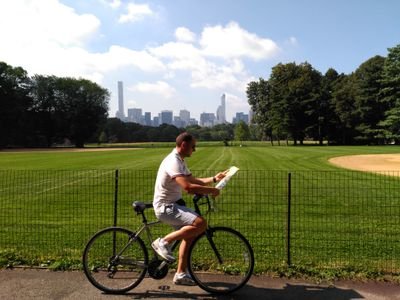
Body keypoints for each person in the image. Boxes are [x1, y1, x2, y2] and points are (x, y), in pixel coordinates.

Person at [152, 132, 227, 286]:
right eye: (193, 146)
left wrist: (214, 179)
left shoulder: (180, 160)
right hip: (166, 207)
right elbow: (188, 187)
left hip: (174, 205)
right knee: (200, 224)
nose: (195, 149)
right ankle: (163, 242)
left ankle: (180, 274)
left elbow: (194, 180)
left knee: (190, 235)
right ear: (184, 145)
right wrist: (212, 191)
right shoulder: (173, 161)